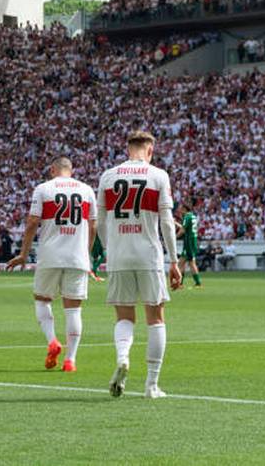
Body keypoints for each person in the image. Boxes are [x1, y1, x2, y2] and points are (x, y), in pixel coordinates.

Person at [95, 130, 181, 400]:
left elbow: (100, 221)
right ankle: (151, 385)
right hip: (148, 255)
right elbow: (166, 222)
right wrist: (174, 260)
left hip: (119, 255)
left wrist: (109, 249)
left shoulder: (108, 176)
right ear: (150, 150)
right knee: (155, 318)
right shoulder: (158, 176)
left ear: (128, 149)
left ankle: (123, 357)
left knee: (124, 316)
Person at [5, 157, 96, 372]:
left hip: (50, 255)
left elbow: (32, 223)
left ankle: (52, 341)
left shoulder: (44, 189)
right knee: (73, 310)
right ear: (71, 170)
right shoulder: (86, 190)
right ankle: (70, 360)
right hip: (77, 257)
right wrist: (87, 253)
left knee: (42, 301)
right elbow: (93, 226)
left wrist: (24, 254)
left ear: (52, 169)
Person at [176, 203, 203, 289]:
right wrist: (176, 223)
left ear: (184, 209)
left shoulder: (187, 217)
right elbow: (187, 228)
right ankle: (181, 283)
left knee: (188, 263)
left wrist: (174, 237)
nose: (180, 210)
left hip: (189, 243)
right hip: (192, 242)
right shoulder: (192, 216)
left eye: (181, 208)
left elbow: (183, 230)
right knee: (182, 263)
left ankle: (196, 283)